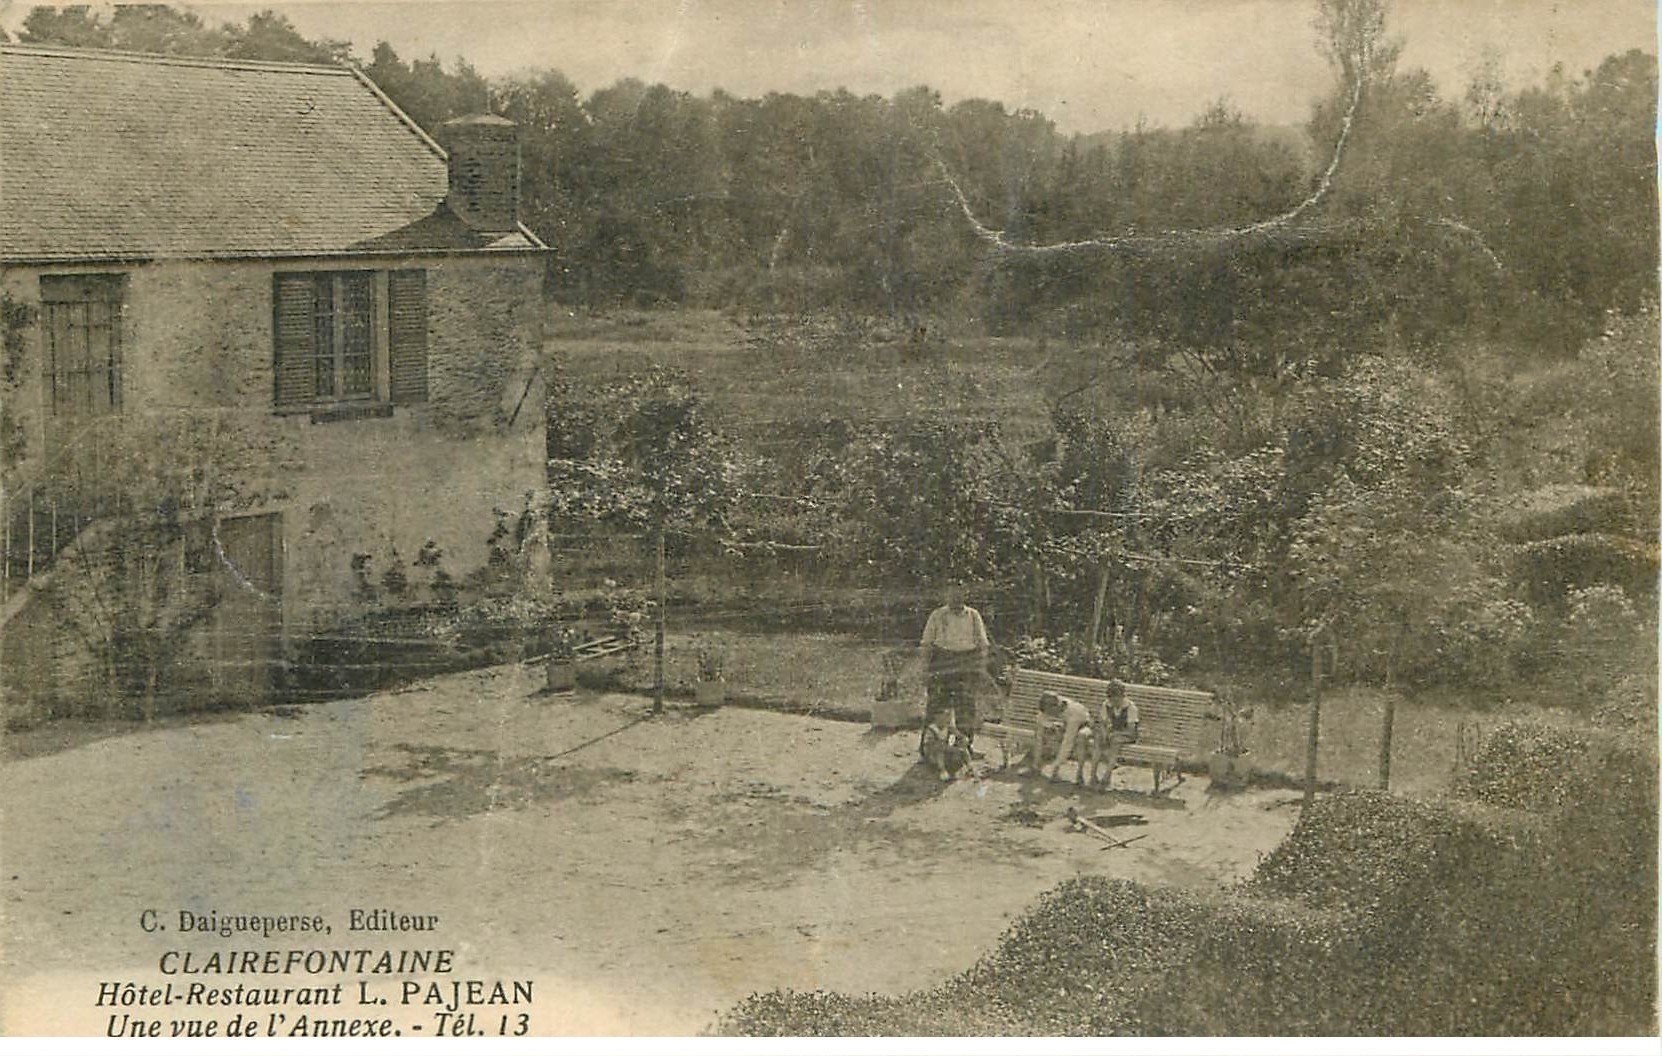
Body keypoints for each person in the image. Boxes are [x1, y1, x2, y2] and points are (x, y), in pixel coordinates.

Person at [919, 583, 989, 757]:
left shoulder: (973, 616)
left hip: (966, 663)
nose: (956, 598)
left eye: (959, 594)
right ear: (946, 595)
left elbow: (982, 645)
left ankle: (964, 748)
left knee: (966, 708)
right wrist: (924, 669)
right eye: (952, 594)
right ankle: (929, 749)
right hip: (942, 662)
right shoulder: (937, 615)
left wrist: (980, 668)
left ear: (965, 595)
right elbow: (927, 644)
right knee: (936, 706)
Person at [1037, 690, 1096, 784]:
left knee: (1081, 737)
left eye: (1051, 711)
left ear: (1056, 706)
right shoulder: (1056, 702)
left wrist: (1055, 766)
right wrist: (1051, 726)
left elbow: (1068, 742)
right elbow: (1041, 718)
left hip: (1086, 726)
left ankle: (1079, 773)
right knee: (1044, 730)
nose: (1050, 714)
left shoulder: (1073, 713)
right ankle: (1036, 765)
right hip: (1067, 724)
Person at [1094, 679, 1140, 788]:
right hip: (1114, 733)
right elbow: (1102, 723)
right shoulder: (1107, 705)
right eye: (1112, 697)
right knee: (1099, 738)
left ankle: (1106, 777)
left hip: (1128, 735)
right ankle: (1093, 774)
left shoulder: (1130, 707)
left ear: (1122, 696)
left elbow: (1131, 729)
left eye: (1117, 697)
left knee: (1115, 741)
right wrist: (1105, 733)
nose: (1115, 700)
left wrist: (1115, 734)